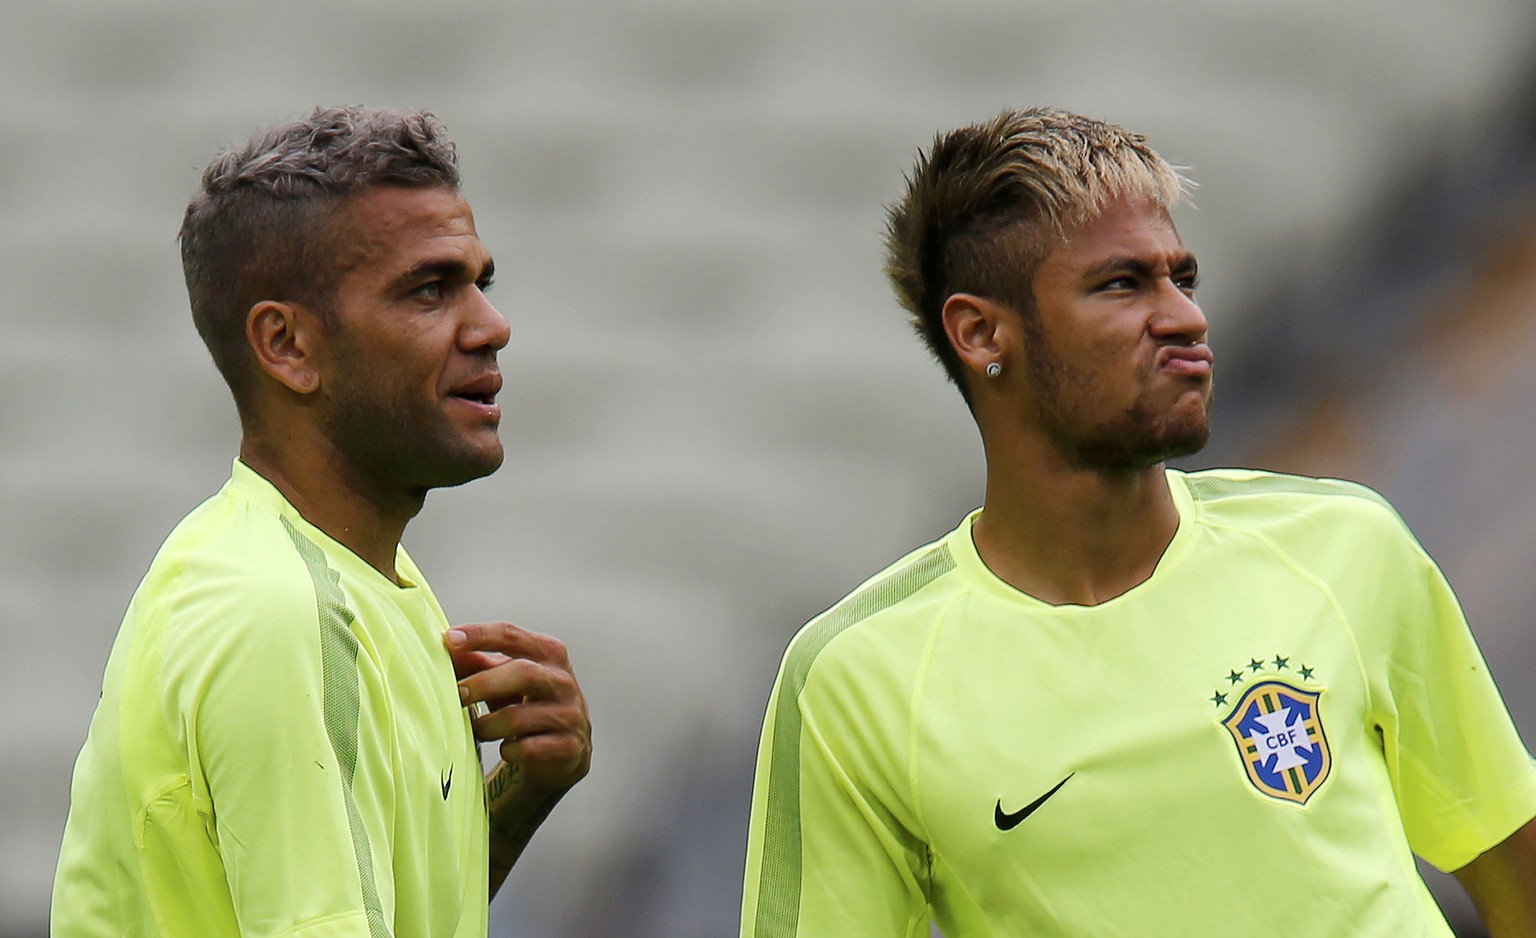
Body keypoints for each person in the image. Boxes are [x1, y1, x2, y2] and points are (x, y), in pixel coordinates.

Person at [740, 107, 1536, 936]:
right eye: (1122, 285)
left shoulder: (1345, 547)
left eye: (1182, 279)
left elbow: (1515, 866)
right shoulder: (861, 678)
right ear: (980, 333)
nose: (1186, 318)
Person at [52, 106, 592, 937]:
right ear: (288, 345)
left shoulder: (360, 580)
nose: (492, 327)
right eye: (429, 289)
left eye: (479, 284)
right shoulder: (274, 611)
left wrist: (526, 791)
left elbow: (385, 904)